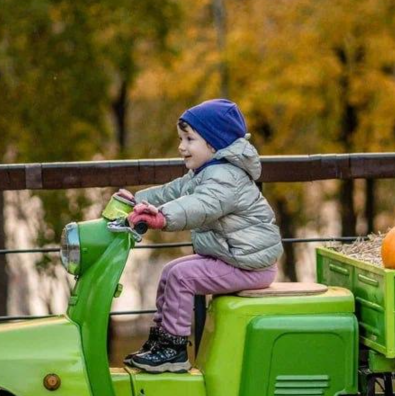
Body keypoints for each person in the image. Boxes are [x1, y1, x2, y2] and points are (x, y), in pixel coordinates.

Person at [118, 99, 282, 373]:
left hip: (250, 265)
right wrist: (137, 201)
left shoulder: (225, 177)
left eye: (189, 139)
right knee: (171, 270)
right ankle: (161, 341)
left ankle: (174, 350)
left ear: (214, 144)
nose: (181, 146)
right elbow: (173, 192)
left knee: (183, 276)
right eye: (181, 138)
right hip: (233, 259)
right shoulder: (205, 172)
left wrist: (162, 217)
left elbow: (201, 206)